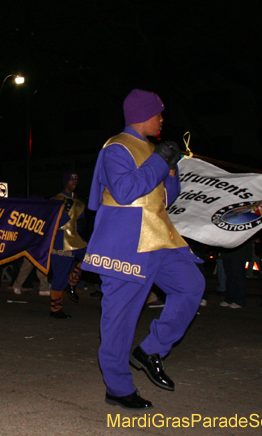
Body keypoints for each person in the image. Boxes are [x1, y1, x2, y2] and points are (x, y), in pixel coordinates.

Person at [81, 88, 205, 410]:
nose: (162, 120)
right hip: (125, 243)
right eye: (159, 114)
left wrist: (172, 170)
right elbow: (124, 191)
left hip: (160, 238)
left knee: (192, 286)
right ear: (144, 116)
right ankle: (118, 388)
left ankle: (150, 350)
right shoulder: (116, 147)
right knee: (120, 319)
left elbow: (164, 199)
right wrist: (159, 162)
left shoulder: (152, 149)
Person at [46, 170, 88, 319]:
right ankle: (55, 309)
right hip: (61, 242)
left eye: (76, 180)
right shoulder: (56, 200)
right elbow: (51, 222)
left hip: (76, 240)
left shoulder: (80, 202)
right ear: (65, 182)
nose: (74, 182)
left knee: (91, 257)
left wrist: (82, 224)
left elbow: (80, 225)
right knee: (59, 277)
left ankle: (72, 281)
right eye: (71, 180)